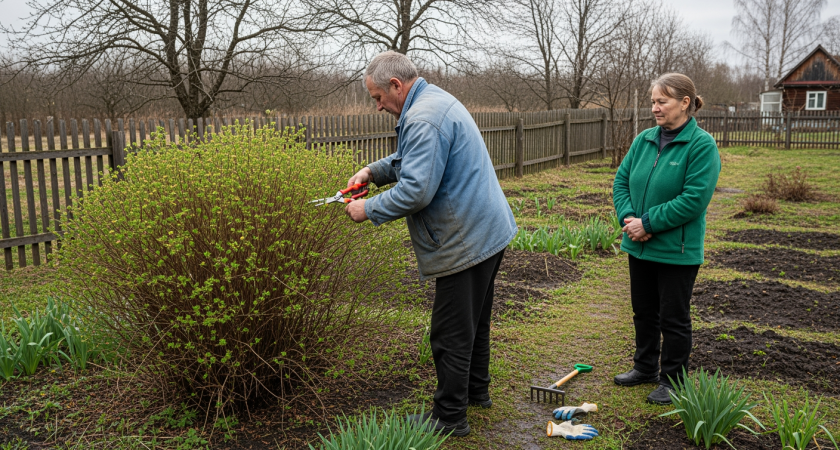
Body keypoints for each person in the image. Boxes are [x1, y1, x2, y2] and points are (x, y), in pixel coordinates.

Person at [344, 51, 517, 436]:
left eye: (377, 98)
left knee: (450, 331)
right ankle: (476, 392)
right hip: (487, 228)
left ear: (395, 85)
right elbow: (414, 158)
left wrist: (367, 209)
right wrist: (373, 171)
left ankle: (450, 417)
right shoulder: (432, 100)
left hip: (466, 237)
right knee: (474, 322)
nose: (377, 107)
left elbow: (416, 191)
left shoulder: (422, 117)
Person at [611, 73, 721, 405]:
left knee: (673, 317)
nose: (655, 108)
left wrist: (649, 223)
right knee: (643, 311)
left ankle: (673, 380)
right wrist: (629, 218)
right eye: (653, 102)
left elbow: (693, 200)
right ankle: (644, 367)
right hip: (639, 245)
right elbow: (621, 180)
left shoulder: (702, 146)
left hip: (677, 250)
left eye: (662, 102)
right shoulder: (644, 139)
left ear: (685, 103)